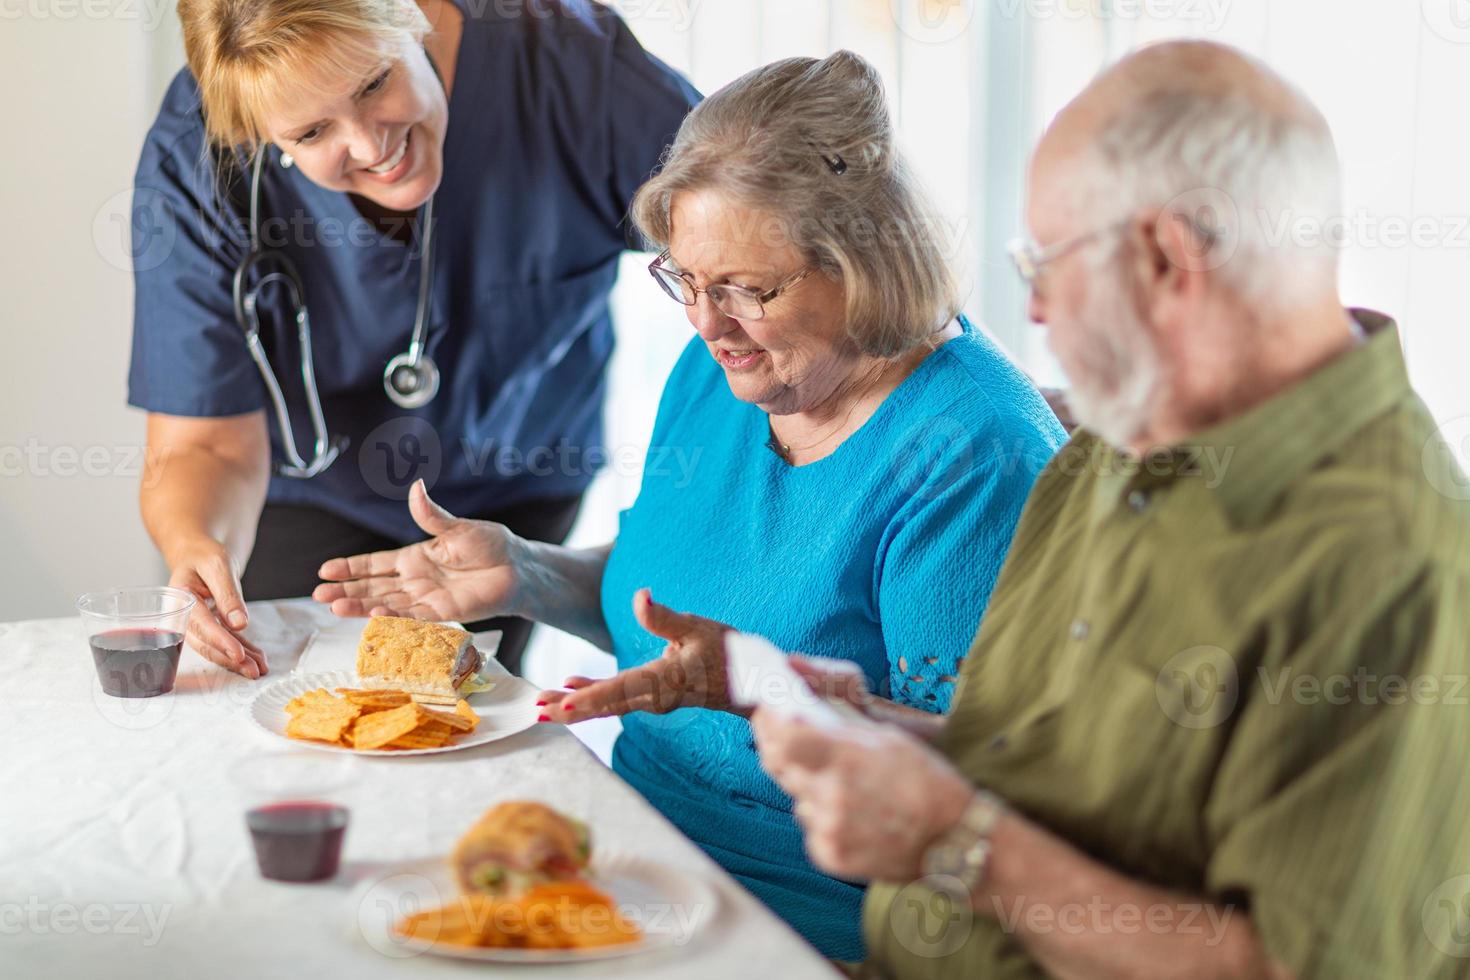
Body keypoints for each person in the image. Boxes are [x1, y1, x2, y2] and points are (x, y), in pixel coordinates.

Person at [313, 52, 1063, 959]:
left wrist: (764, 689)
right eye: (684, 280)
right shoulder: (722, 376)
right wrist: (527, 573)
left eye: (748, 288)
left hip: (814, 926)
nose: (707, 324)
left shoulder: (972, 453)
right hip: (633, 859)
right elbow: (671, 617)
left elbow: (988, 786)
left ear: (867, 260)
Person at [751, 40, 1470, 980]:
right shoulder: (1119, 435)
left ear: (1169, 254)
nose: (1038, 312)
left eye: (1045, 263)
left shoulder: (1392, 558)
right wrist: (875, 730)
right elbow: (1071, 779)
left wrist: (955, 840)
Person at [128, 0, 699, 678]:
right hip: (310, 494)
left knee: (472, 715)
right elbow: (204, 443)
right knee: (303, 711)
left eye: (373, 83)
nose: (373, 148)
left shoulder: (573, 69)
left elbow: (748, 235)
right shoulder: (198, 152)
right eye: (311, 132)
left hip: (516, 489)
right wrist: (196, 544)